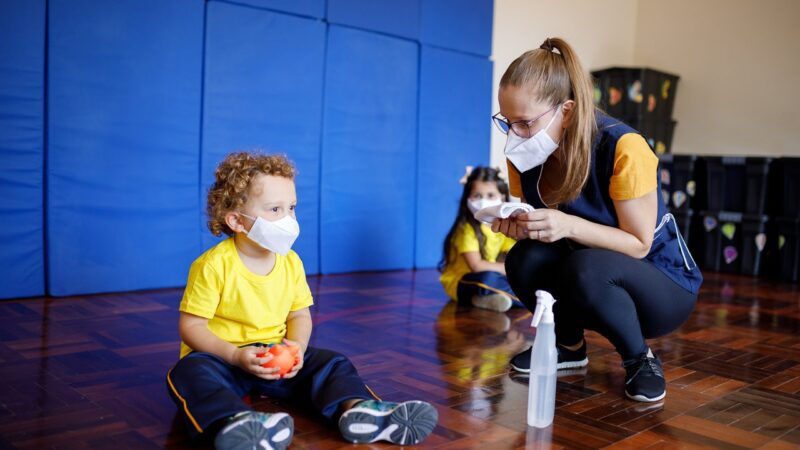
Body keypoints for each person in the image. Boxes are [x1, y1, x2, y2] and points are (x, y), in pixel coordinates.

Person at [165, 152, 437, 449]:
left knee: (332, 363)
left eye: (291, 208)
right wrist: (234, 356)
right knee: (188, 372)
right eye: (275, 210)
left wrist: (297, 348)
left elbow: (299, 316)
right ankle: (235, 425)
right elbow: (192, 326)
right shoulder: (213, 265)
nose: (289, 220)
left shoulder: (291, 262)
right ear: (236, 220)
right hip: (224, 358)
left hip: (276, 356)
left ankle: (359, 410)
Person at [491, 38, 702, 402]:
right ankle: (569, 346)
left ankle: (640, 359)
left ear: (567, 111)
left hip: (662, 283)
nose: (515, 135)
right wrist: (524, 228)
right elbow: (550, 235)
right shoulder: (524, 154)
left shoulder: (623, 146)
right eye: (507, 122)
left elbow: (638, 244)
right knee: (525, 257)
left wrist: (568, 225)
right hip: (587, 274)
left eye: (524, 123)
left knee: (587, 266)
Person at [439, 166, 521, 312]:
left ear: (502, 197)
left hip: (492, 276)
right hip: (462, 281)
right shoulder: (466, 229)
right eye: (477, 195)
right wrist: (509, 270)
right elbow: (476, 266)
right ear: (467, 198)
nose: (483, 201)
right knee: (488, 278)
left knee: (520, 276)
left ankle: (485, 299)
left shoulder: (501, 226)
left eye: (490, 195)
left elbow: (514, 255)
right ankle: (524, 299)